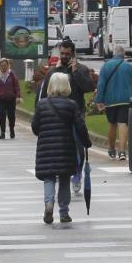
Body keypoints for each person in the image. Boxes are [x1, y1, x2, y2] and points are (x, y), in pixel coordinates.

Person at [31, 72, 91, 225]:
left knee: (49, 177)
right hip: (66, 147)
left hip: (46, 148)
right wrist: (86, 142)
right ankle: (64, 211)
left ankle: (49, 203)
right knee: (64, 178)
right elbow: (80, 127)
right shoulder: (71, 105)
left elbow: (35, 128)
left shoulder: (41, 104)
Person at [95, 45, 132, 160]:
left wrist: (99, 100)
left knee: (112, 124)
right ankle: (122, 151)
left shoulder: (105, 67)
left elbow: (101, 84)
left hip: (110, 101)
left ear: (114, 54)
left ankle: (112, 148)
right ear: (123, 55)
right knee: (123, 123)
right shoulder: (129, 67)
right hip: (125, 100)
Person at [0, 57, 21, 139]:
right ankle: (2, 132)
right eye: (2, 66)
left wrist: (18, 96)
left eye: (5, 66)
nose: (4, 67)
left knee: (11, 115)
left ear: (8, 66)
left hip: (11, 98)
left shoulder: (11, 74)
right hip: (0, 99)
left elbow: (17, 86)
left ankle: (12, 129)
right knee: (1, 115)